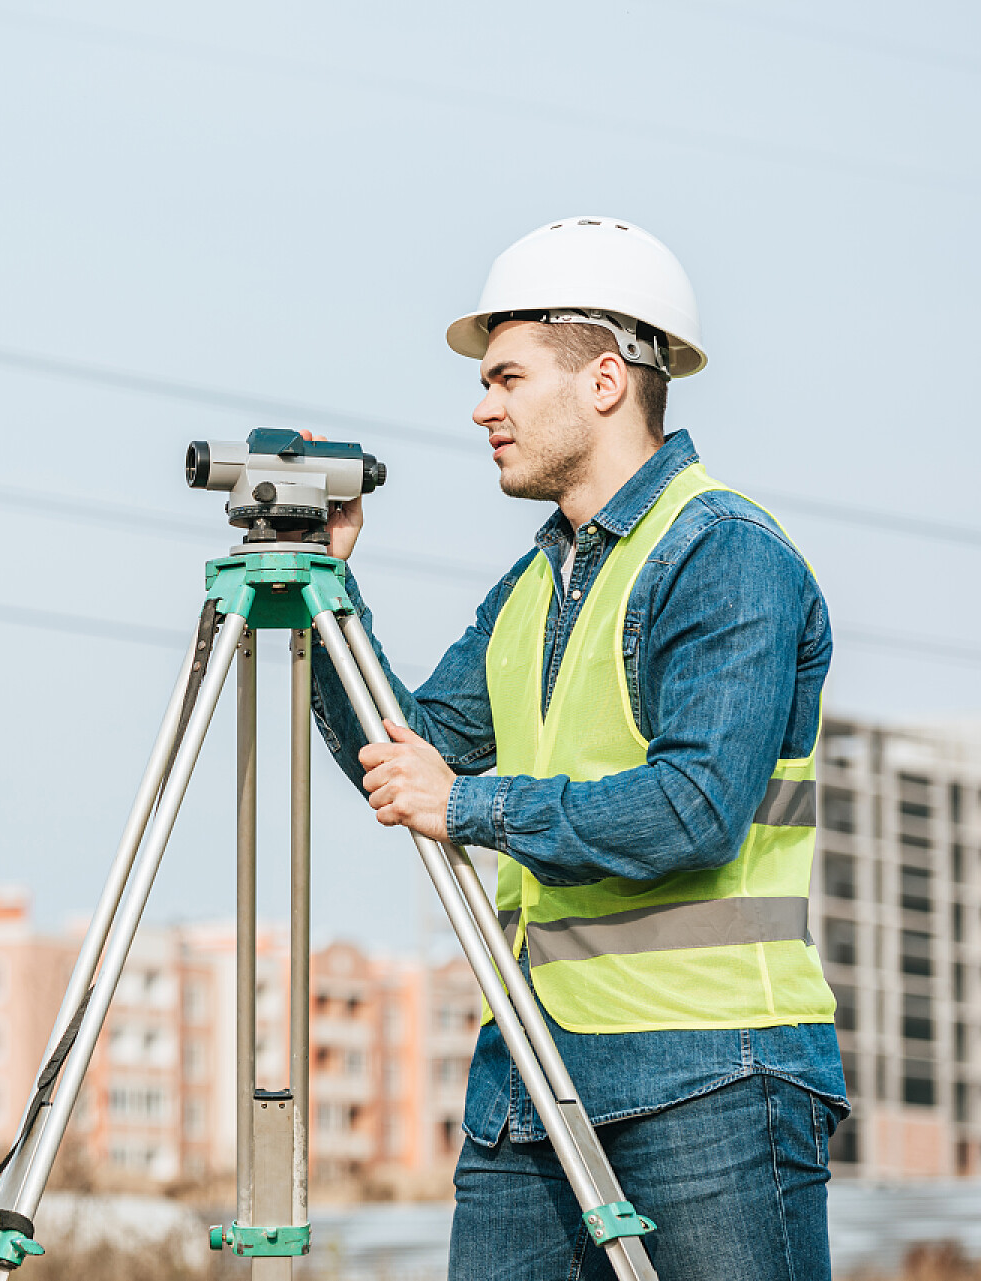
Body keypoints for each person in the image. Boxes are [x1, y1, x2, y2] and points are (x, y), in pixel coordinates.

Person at [308, 216, 848, 1280]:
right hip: (533, 1072)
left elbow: (695, 810)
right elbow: (405, 756)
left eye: (507, 377)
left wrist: (468, 806)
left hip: (714, 1079)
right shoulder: (536, 585)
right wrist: (323, 593)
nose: (482, 406)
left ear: (605, 381)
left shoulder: (725, 554)